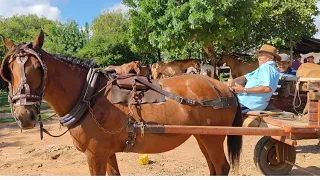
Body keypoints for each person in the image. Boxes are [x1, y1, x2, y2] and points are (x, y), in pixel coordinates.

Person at [226, 44, 280, 113]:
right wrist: (231, 83)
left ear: (271, 58)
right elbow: (245, 78)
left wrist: (243, 90)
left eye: (261, 55)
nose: (259, 58)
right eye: (259, 56)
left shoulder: (267, 67)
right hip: (245, 102)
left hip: (248, 105)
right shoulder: (263, 68)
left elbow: (267, 88)